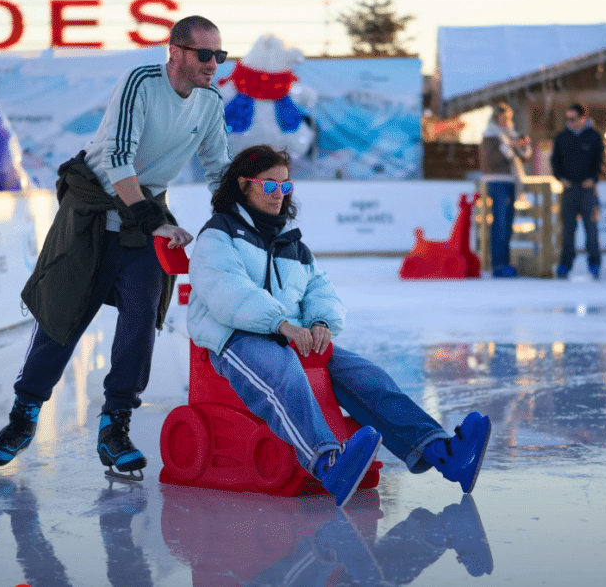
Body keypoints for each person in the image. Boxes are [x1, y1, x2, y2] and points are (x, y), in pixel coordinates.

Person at [0, 15, 233, 480]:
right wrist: (155, 221)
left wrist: (238, 219)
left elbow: (218, 168)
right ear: (174, 52)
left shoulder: (210, 102)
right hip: (94, 211)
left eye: (220, 55)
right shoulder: (141, 82)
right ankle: (23, 415)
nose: (214, 64)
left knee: (143, 319)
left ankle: (115, 425)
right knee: (63, 315)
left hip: (143, 219)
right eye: (205, 54)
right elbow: (117, 158)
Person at [187, 145, 492, 507]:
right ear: (243, 185)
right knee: (283, 372)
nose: (279, 195)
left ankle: (442, 452)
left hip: (290, 335)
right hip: (235, 338)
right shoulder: (218, 235)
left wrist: (320, 322)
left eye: (285, 187)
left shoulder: (291, 242)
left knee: (365, 375)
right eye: (270, 185)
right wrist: (281, 324)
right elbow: (227, 291)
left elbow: (319, 287)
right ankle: (327, 462)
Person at [550, 103, 604, 279]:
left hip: (588, 190)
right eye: (567, 119)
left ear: (583, 118)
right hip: (570, 189)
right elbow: (555, 161)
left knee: (591, 228)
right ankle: (565, 263)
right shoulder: (562, 137)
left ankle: (594, 263)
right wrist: (561, 178)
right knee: (568, 230)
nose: (570, 122)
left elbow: (600, 160)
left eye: (573, 119)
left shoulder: (594, 137)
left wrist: (593, 178)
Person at [480, 102, 532, 277]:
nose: (505, 122)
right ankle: (499, 263)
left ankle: (505, 261)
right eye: (502, 118)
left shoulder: (510, 135)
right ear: (496, 118)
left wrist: (522, 145)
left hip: (511, 181)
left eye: (508, 118)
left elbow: (523, 157)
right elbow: (491, 161)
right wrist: (510, 147)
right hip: (497, 181)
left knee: (508, 223)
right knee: (500, 222)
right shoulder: (491, 135)